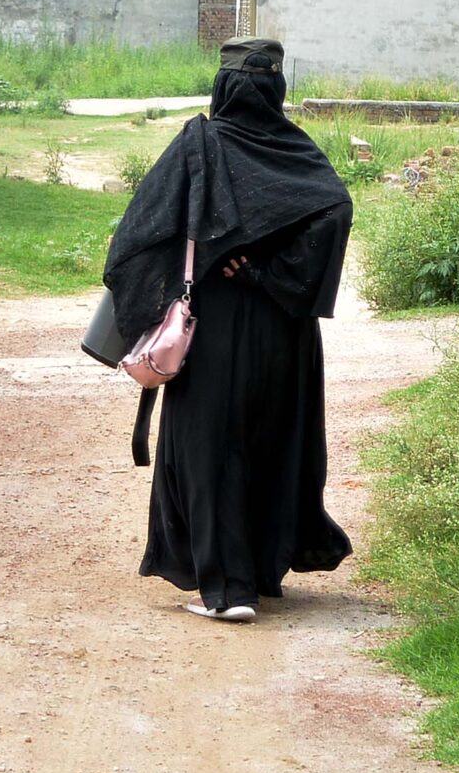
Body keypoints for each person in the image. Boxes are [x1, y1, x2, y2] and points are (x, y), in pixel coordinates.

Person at [101, 37, 355, 623]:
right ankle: (261, 573)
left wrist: (166, 290)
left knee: (210, 450)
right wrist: (273, 274)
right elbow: (334, 209)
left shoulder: (201, 144)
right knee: (274, 443)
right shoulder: (300, 153)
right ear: (277, 90)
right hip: (285, 338)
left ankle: (228, 589)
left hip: (213, 331)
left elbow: (139, 235)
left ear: (222, 88)